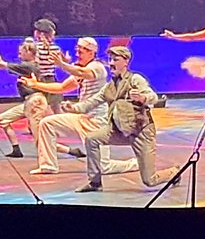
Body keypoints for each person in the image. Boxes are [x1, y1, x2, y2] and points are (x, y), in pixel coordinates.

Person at [22, 37, 138, 176]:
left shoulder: (97, 67)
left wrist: (61, 64)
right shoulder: (81, 69)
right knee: (47, 123)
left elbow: (82, 73)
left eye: (81, 51)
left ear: (91, 52)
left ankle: (134, 163)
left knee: (103, 167)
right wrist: (35, 85)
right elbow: (62, 87)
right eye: (77, 50)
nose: (77, 53)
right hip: (82, 118)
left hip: (97, 122)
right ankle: (48, 166)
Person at [75, 46, 180, 192]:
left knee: (149, 180)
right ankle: (95, 183)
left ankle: (174, 173)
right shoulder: (109, 87)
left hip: (140, 133)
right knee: (92, 139)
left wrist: (143, 98)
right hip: (118, 131)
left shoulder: (135, 79)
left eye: (115, 60)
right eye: (110, 59)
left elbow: (153, 97)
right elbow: (89, 104)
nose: (111, 63)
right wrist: (72, 108)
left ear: (126, 62)